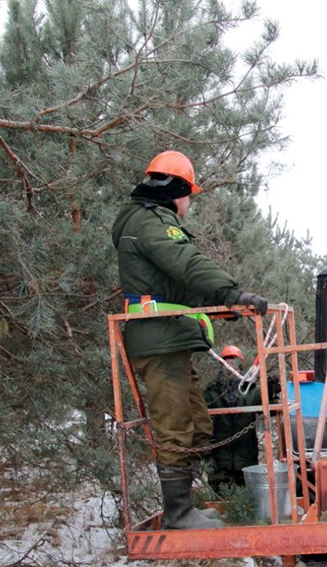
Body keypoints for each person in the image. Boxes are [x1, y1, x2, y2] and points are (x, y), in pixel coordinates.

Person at [111, 150, 268, 530]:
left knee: (197, 422)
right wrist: (231, 292)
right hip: (159, 341)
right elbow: (187, 264)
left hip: (172, 340)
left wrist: (222, 303)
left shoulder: (148, 222)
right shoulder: (150, 223)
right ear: (176, 190)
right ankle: (179, 514)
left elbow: (173, 283)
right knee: (175, 424)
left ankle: (186, 509)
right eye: (189, 195)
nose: (188, 204)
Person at [202, 346, 261, 488]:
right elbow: (202, 427)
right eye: (226, 361)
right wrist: (208, 456)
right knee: (220, 505)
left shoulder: (251, 391)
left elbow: (270, 410)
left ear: (240, 366)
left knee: (249, 503)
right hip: (219, 463)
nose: (230, 365)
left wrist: (270, 390)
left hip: (246, 463)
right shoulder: (210, 394)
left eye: (233, 361)